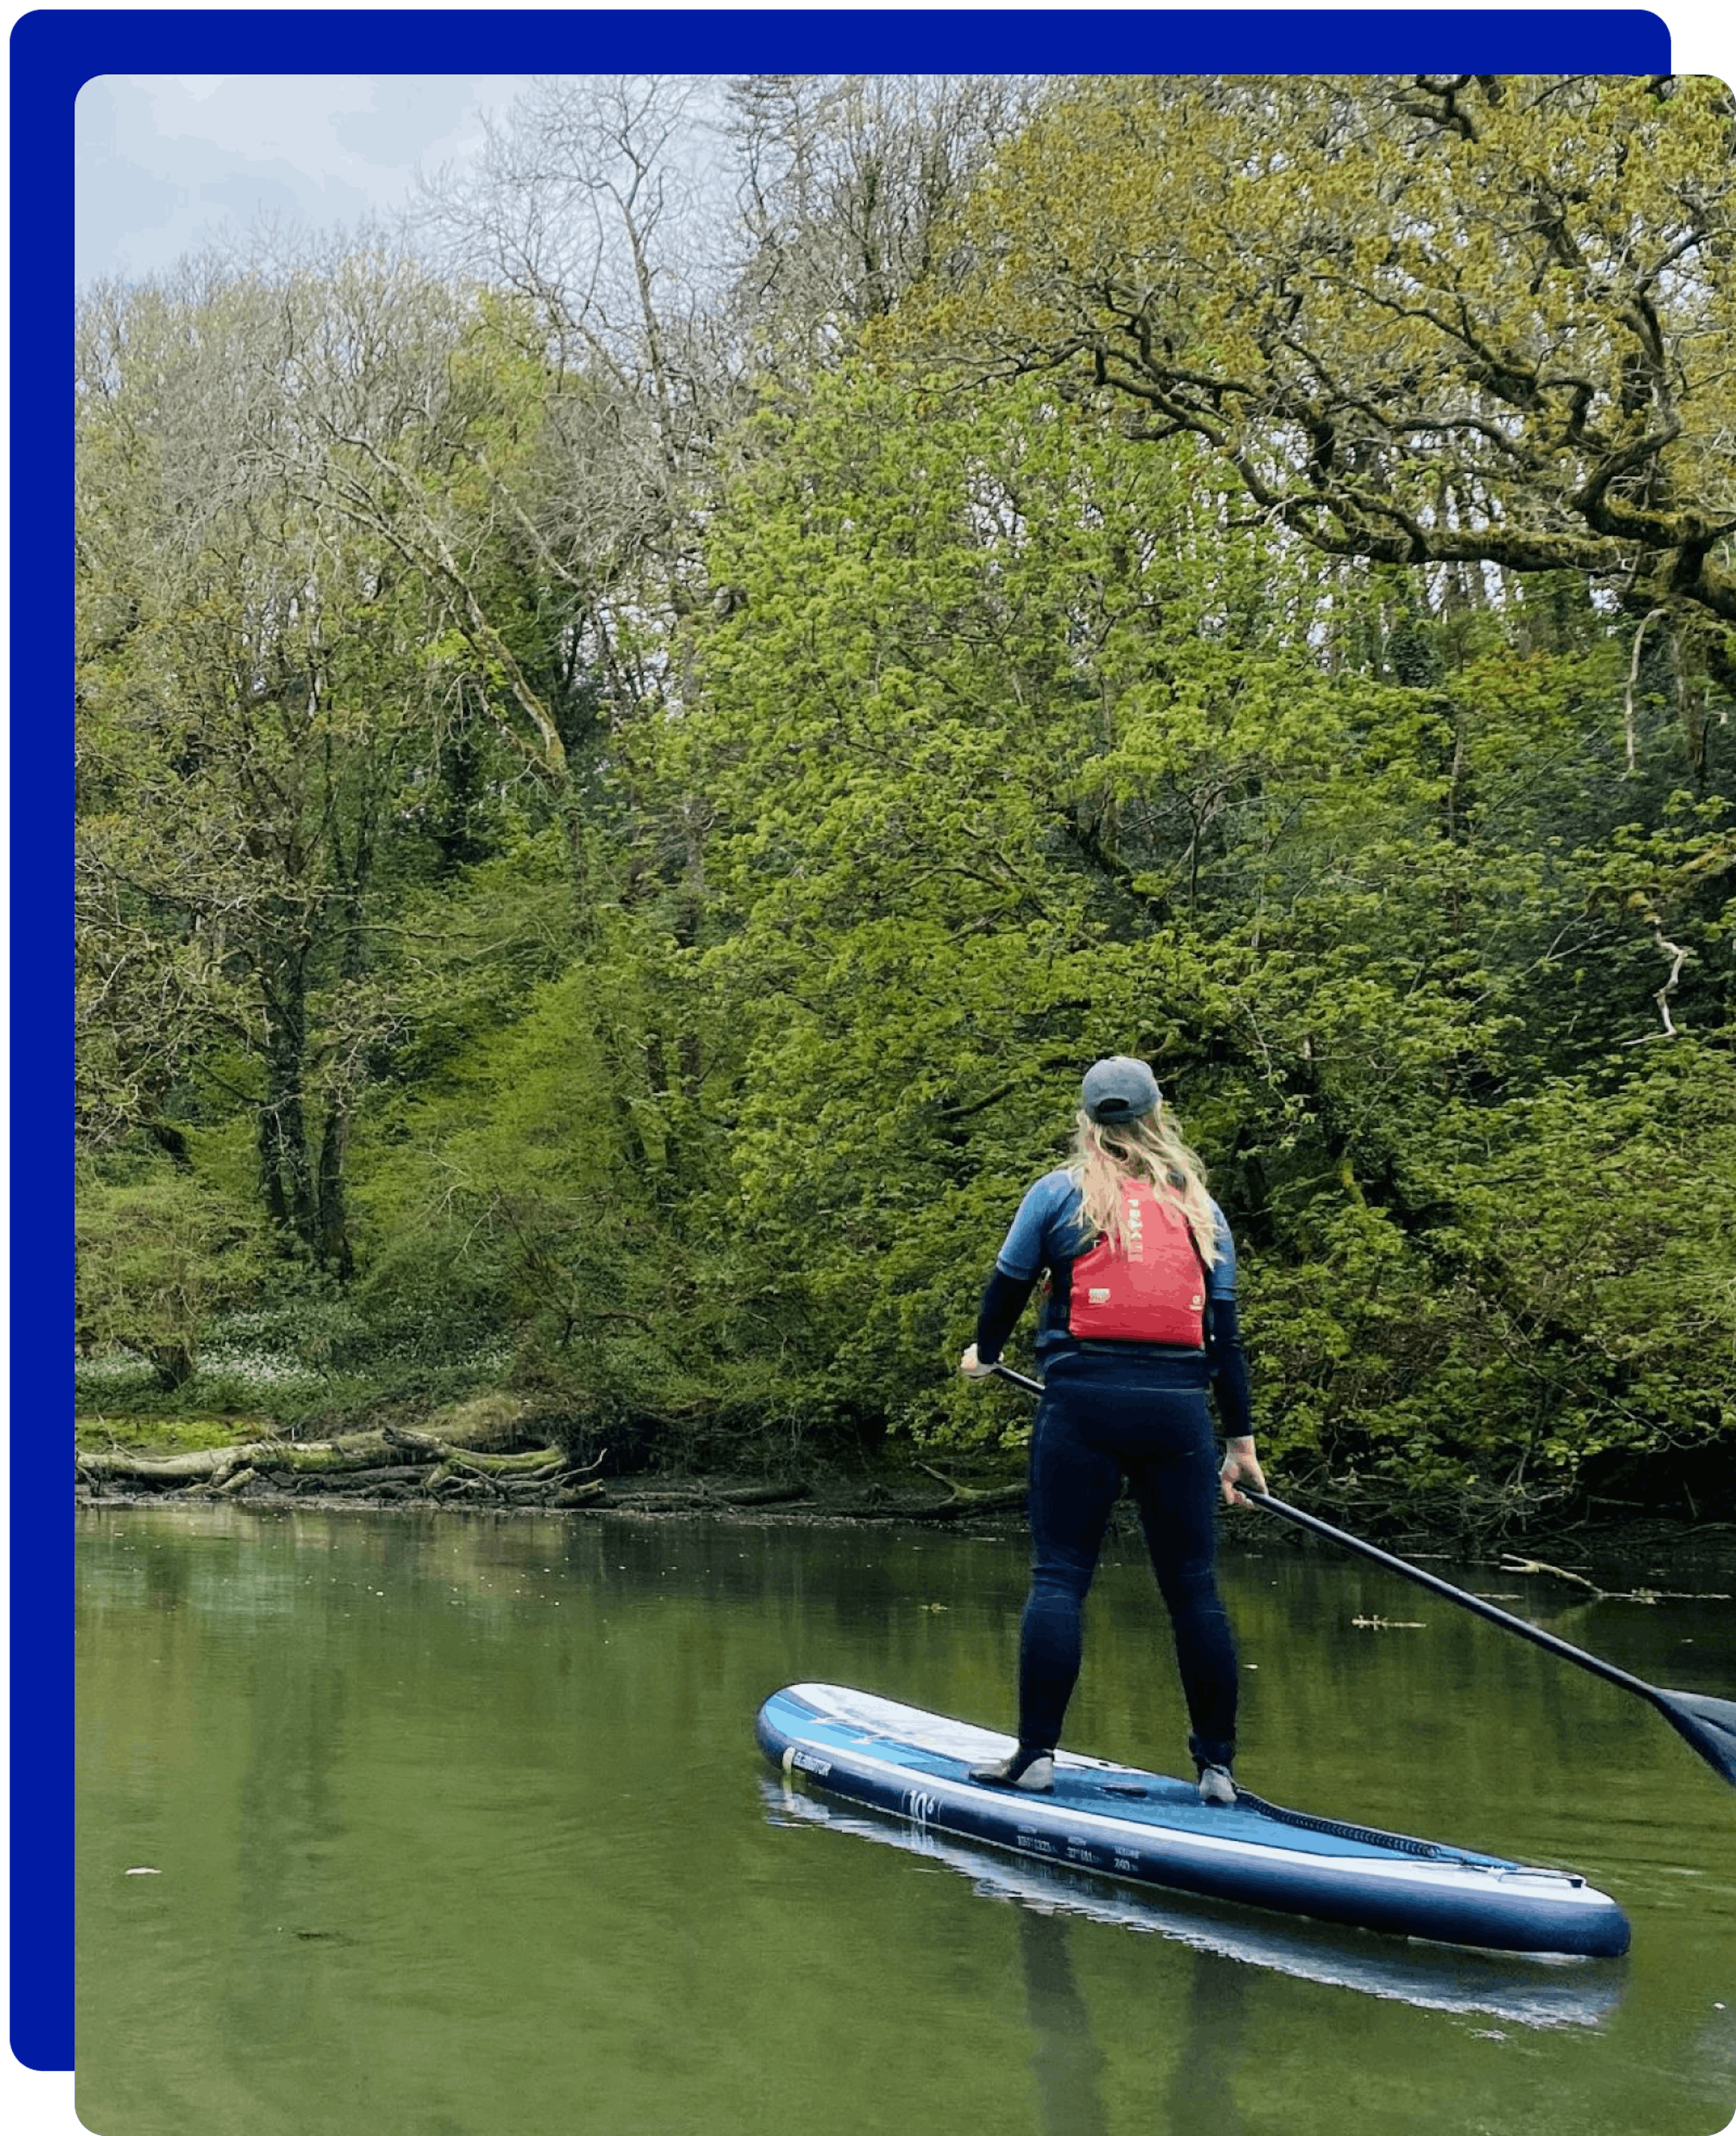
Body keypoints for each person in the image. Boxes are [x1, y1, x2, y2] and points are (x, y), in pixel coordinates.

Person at [958, 1055, 1265, 1804]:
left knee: (1061, 1577)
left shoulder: (1058, 1193)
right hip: (1178, 1414)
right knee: (1194, 1589)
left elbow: (1004, 1294)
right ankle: (1217, 1770)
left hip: (1083, 1406)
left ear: (1088, 1122)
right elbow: (1224, 1339)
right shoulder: (1201, 1208)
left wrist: (985, 1356)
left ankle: (1036, 1757)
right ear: (1157, 1116)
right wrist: (1241, 1443)